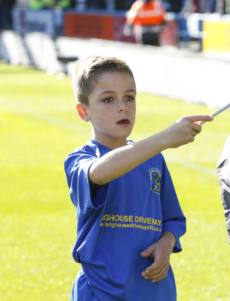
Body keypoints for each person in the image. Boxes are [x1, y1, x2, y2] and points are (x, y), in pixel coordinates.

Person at [65, 55, 213, 300]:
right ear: (83, 111)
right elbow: (100, 173)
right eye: (108, 99)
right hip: (101, 291)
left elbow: (173, 220)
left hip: (154, 288)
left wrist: (165, 244)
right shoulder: (81, 159)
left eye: (130, 97)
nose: (123, 106)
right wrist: (164, 139)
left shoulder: (153, 159)